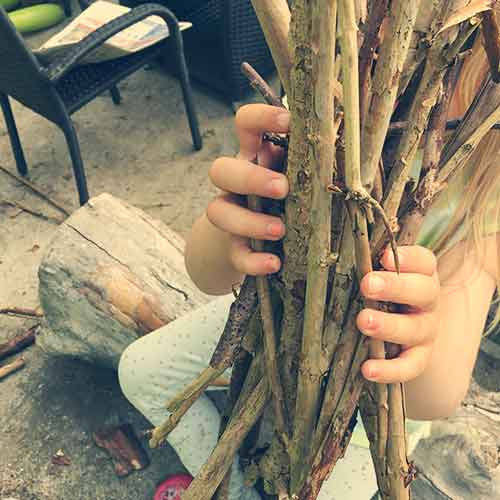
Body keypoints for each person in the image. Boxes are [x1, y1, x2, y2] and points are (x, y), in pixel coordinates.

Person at [118, 41, 500, 500]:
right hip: (280, 320)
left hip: (370, 413)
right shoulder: (344, 68)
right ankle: (237, 489)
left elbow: (431, 399)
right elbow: (207, 274)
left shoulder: (487, 192)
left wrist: (414, 336)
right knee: (142, 369)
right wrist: (244, 208)